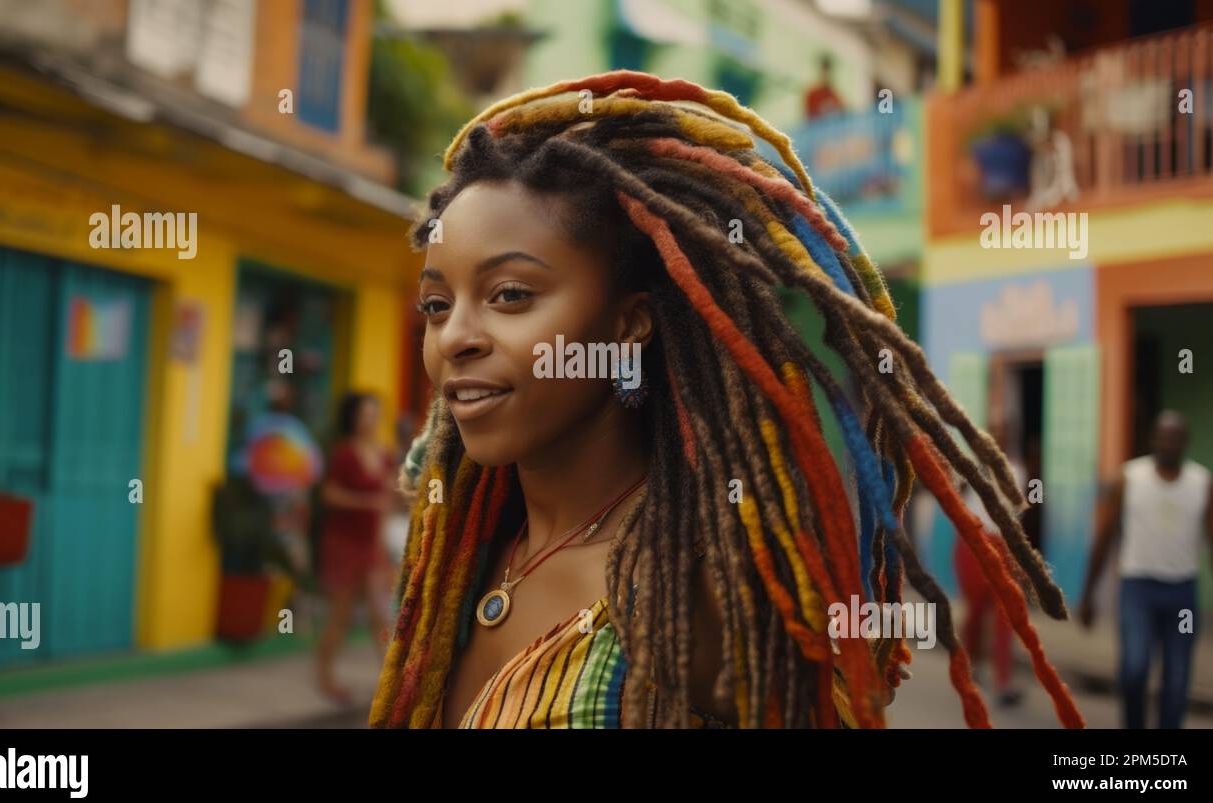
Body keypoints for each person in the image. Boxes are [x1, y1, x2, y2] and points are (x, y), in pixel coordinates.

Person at [369, 70, 1082, 729]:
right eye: (436, 305)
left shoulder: (700, 594)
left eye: (510, 296)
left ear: (628, 324)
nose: (455, 337)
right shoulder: (456, 558)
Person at [1078, 410, 1213, 729]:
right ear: (1153, 439)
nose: (1169, 443)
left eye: (1175, 437)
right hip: (1138, 590)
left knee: (1177, 682)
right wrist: (1088, 594)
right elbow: (1105, 536)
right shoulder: (1129, 478)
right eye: (1163, 436)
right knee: (1134, 669)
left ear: (1185, 441)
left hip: (1182, 594)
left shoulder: (1202, 484)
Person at [316, 392, 396, 705]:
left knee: (381, 614)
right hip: (343, 543)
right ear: (353, 418)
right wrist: (366, 502)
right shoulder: (344, 454)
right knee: (341, 615)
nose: (370, 420)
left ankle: (391, 683)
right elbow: (330, 495)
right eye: (365, 414)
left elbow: (388, 499)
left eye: (374, 414)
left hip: (371, 545)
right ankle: (325, 677)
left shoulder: (384, 453)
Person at [953, 414, 1024, 707]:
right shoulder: (968, 467)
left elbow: (1017, 514)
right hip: (972, 544)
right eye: (992, 432)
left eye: (1002, 432)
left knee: (1006, 615)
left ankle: (1003, 683)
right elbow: (952, 497)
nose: (996, 437)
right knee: (976, 613)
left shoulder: (1017, 470)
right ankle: (972, 665)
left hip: (1003, 547)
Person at [804, 53, 845, 121]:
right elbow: (808, 119)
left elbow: (843, 116)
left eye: (828, 71)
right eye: (824, 71)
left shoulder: (836, 97)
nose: (827, 75)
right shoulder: (813, 95)